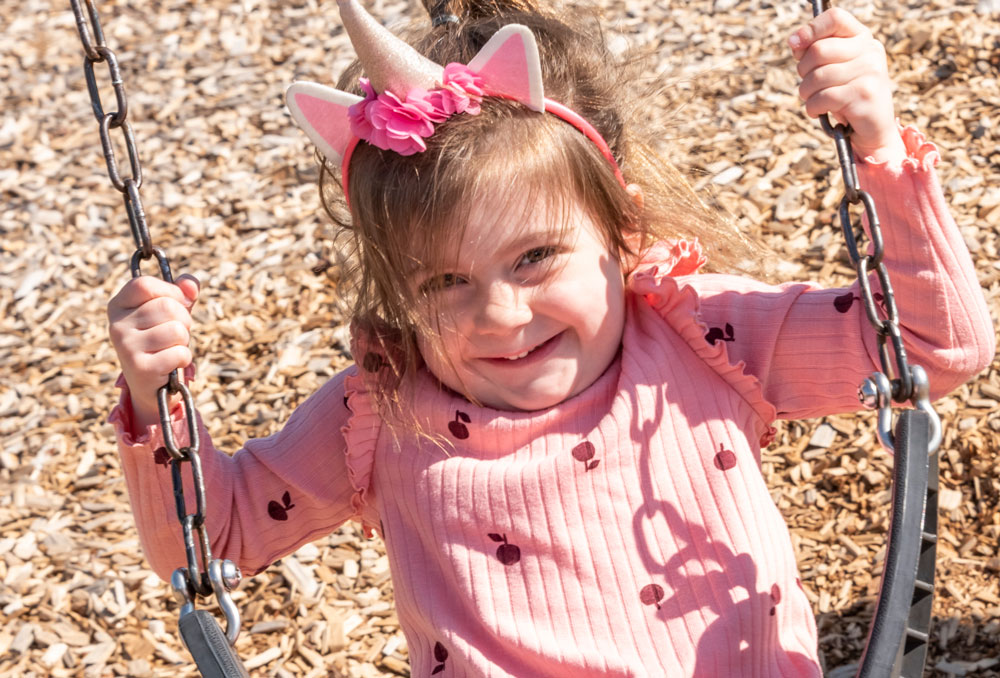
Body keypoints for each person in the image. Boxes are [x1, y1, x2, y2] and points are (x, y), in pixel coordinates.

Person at [106, 0, 995, 675]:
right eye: (445, 282)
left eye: (534, 258)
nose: (500, 315)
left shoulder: (699, 333)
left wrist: (877, 150)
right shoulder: (381, 413)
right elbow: (214, 537)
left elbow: (930, 346)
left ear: (619, 230)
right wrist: (155, 397)